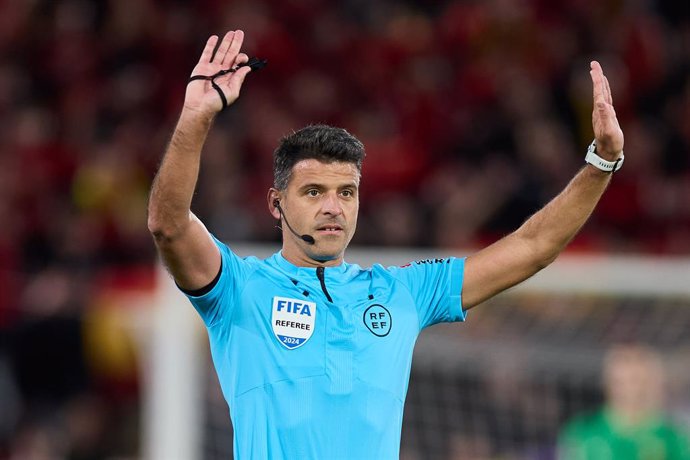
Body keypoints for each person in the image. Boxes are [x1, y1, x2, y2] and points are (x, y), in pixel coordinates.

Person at [147, 30, 626, 459]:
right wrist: (196, 117)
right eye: (314, 192)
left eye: (346, 192)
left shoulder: (404, 291)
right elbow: (168, 225)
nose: (333, 207)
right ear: (276, 204)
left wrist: (601, 161)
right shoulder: (239, 288)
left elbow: (534, 246)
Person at [558, 344, 690, 460]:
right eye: (622, 382)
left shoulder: (674, 436)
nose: (632, 390)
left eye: (638, 381)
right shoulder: (584, 432)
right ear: (607, 382)